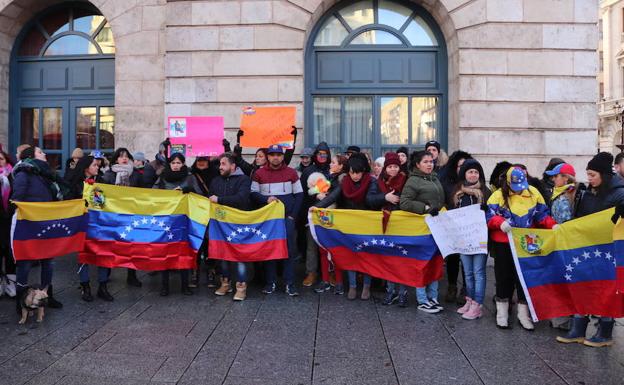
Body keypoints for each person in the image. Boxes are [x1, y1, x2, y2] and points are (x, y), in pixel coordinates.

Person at [556, 152, 624, 347]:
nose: (589, 178)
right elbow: (581, 220)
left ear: (604, 174)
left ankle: (605, 333)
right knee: (583, 286)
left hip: (608, 251)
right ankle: (578, 329)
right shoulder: (587, 193)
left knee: (605, 290)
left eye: (593, 175)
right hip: (586, 249)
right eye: (588, 174)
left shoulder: (620, 193)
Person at [486, 166, 557, 330]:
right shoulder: (497, 195)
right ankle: (502, 314)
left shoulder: (533, 192)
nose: (519, 190)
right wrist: (499, 223)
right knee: (504, 277)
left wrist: (552, 225)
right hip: (504, 242)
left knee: (525, 278)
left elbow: (542, 214)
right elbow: (488, 215)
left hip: (526, 242)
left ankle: (523, 314)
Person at [11, 146, 65, 312]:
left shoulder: (46, 175)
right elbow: (16, 199)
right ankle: (21, 301)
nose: (45, 154)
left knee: (48, 263)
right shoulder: (23, 173)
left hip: (45, 225)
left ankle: (46, 296)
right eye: (40, 152)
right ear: (30, 156)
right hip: (29, 225)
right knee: (25, 264)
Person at [251, 144, 302, 296]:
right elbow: (253, 193)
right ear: (268, 156)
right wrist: (266, 199)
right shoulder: (259, 173)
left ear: (282, 156)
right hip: (269, 220)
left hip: (287, 218)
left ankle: (289, 284)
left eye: (278, 155)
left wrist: (293, 216)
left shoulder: (292, 173)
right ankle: (270, 282)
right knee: (269, 250)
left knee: (290, 250)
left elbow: (299, 195)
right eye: (272, 154)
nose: (275, 157)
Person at [400, 151, 445, 313]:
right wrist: (425, 208)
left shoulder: (434, 178)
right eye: (425, 161)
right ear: (418, 164)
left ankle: (433, 297)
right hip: (422, 230)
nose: (429, 164)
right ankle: (422, 300)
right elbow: (404, 202)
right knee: (422, 264)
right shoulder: (413, 180)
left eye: (431, 161)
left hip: (436, 229)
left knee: (435, 263)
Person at [66, 156, 113, 302]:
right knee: (84, 255)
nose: (97, 167)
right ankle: (85, 286)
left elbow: (108, 201)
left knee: (103, 254)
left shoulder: (102, 182)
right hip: (83, 224)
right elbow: (70, 202)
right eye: (94, 165)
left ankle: (103, 286)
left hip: (100, 224)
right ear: (86, 167)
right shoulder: (75, 184)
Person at [451, 159, 491, 320]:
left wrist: (486, 210)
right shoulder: (458, 193)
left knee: (479, 272)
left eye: (476, 172)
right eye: (470, 172)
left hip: (480, 240)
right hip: (464, 239)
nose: (473, 175)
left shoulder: (486, 193)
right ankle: (470, 300)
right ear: (464, 174)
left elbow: (493, 214)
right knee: (467, 273)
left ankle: (478, 305)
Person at [366, 152, 408, 306]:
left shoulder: (406, 180)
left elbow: (409, 199)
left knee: (402, 260)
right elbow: (369, 199)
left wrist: (398, 203)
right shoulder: (378, 182)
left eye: (396, 166)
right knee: (389, 260)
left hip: (401, 225)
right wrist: (385, 198)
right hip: (384, 225)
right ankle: (390, 291)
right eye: (390, 166)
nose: (393, 169)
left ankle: (402, 292)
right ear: (386, 167)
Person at [209, 154, 252, 301]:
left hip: (238, 224)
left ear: (233, 166)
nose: (220, 167)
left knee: (240, 256)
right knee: (223, 254)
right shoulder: (215, 181)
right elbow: (210, 199)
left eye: (223, 164)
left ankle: (241, 287)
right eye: (219, 164)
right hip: (221, 225)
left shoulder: (244, 180)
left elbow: (241, 199)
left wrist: (219, 200)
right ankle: (225, 283)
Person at [153, 153, 197, 296]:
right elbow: (152, 195)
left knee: (184, 251)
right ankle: (164, 286)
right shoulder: (163, 177)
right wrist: (168, 194)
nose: (176, 165)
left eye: (179, 162)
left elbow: (200, 195)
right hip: (167, 220)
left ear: (183, 164)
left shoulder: (190, 177)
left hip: (185, 220)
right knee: (165, 251)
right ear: (169, 164)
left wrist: (187, 191)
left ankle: (185, 285)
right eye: (173, 163)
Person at [101, 147, 143, 287]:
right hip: (113, 214)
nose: (124, 158)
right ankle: (105, 273)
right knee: (110, 244)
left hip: (131, 213)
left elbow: (144, 192)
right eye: (120, 156)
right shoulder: (108, 175)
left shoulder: (135, 174)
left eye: (126, 156)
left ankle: (131, 275)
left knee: (132, 245)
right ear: (115, 159)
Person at [438, 150, 472, 303]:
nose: (462, 169)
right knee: (452, 258)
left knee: (467, 259)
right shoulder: (446, 183)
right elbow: (441, 200)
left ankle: (466, 288)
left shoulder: (475, 183)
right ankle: (452, 286)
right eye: (459, 166)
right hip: (450, 226)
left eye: (465, 166)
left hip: (470, 229)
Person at [313, 154, 348, 295]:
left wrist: (324, 197)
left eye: (333, 162)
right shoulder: (327, 176)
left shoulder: (342, 178)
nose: (330, 164)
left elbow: (339, 196)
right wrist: (317, 195)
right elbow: (313, 191)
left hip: (336, 217)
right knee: (323, 250)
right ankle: (325, 280)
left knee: (336, 251)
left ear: (341, 165)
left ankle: (339, 282)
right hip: (322, 216)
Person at [300, 142, 332, 287]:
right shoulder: (308, 171)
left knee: (330, 244)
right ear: (315, 155)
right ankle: (311, 272)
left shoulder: (332, 170)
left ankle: (330, 272)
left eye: (325, 154)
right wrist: (315, 196)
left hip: (330, 212)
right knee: (311, 244)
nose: (322, 156)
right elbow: (302, 192)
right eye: (319, 154)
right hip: (312, 212)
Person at [0, 150, 15, 298]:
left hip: (9, 220)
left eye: (1, 159)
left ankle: (11, 284)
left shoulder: (13, 174)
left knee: (10, 254)